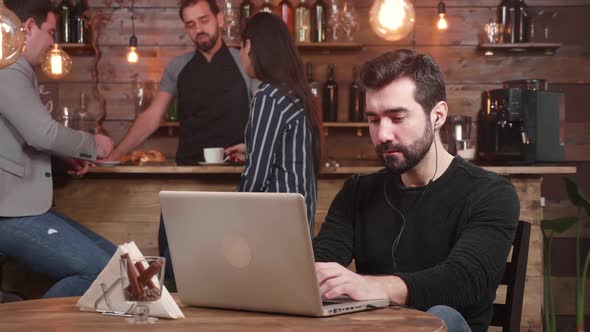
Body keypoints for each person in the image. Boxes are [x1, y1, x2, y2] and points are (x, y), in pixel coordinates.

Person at [312, 49, 520, 332]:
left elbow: (464, 280)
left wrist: (370, 286)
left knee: (442, 313)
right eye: (374, 120)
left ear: (437, 116)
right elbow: (319, 264)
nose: (383, 134)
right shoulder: (357, 191)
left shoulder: (491, 194)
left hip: (449, 326)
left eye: (397, 118)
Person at [106, 0, 257, 287]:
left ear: (220, 19)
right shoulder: (178, 67)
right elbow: (152, 116)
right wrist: (116, 153)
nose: (198, 30)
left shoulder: (243, 61)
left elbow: (263, 112)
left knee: (235, 268)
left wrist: (252, 148)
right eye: (190, 24)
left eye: (204, 21)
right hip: (187, 179)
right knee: (174, 267)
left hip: (235, 181)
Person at [0, 0, 117, 298]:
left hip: (22, 208)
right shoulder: (10, 67)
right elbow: (42, 133)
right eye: (51, 32)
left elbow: (17, 140)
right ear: (27, 28)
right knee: (101, 271)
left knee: (117, 263)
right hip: (10, 211)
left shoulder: (15, 69)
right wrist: (92, 144)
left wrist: (60, 159)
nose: (53, 42)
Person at [225, 13, 322, 234]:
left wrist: (228, 211)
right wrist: (252, 150)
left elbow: (256, 177)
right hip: (299, 224)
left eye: (240, 48)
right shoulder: (296, 94)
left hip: (276, 224)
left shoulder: (268, 96)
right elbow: (291, 154)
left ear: (248, 46)